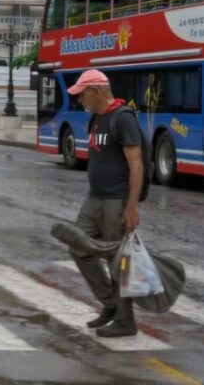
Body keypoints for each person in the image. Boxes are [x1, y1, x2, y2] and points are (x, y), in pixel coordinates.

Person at [67, 69, 144, 338]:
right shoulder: (96, 119)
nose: (80, 99)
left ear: (98, 91)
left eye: (83, 93)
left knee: (117, 260)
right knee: (78, 245)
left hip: (116, 199)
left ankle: (126, 321)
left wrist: (132, 206)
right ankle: (111, 304)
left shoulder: (123, 118)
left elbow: (136, 164)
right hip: (94, 197)